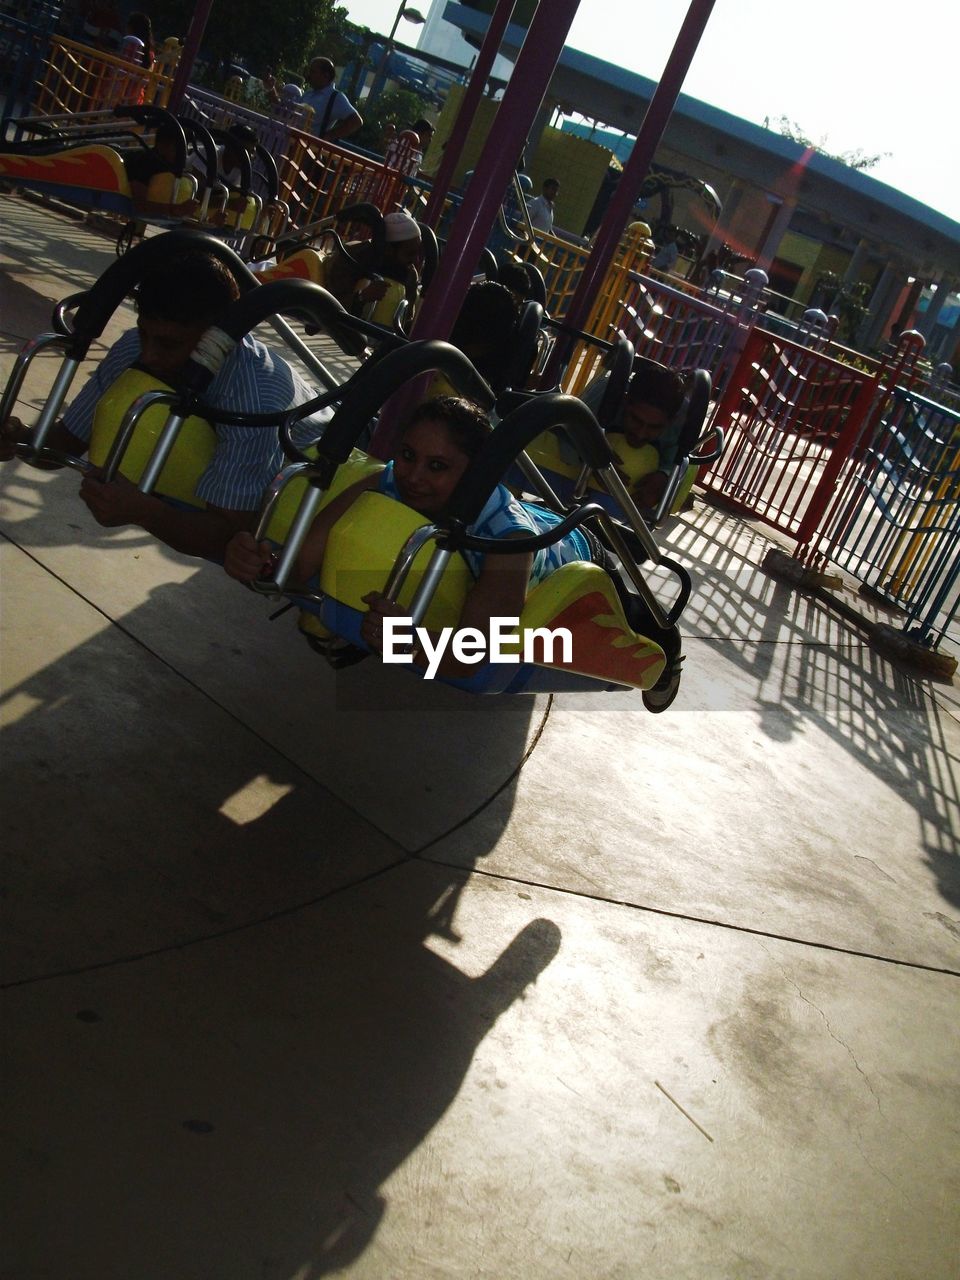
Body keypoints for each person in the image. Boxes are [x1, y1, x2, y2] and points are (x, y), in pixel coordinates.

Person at [224, 396, 683, 697]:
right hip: (520, 518)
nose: (412, 476)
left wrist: (406, 643)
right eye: (407, 455)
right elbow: (301, 560)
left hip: (574, 552)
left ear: (474, 471)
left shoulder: (509, 540)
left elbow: (475, 658)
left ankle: (670, 653)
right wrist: (260, 564)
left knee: (646, 627)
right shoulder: (384, 481)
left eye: (438, 466)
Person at [0, 250, 330, 562]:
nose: (149, 356)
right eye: (145, 334)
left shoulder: (256, 395)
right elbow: (64, 444)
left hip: (326, 473)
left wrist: (143, 511)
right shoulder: (133, 348)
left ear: (219, 336)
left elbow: (230, 534)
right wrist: (19, 437)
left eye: (169, 343)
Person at [581, 357, 686, 511]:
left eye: (654, 427)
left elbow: (680, 461)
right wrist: (590, 449)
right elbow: (562, 426)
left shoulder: (682, 422)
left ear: (671, 421)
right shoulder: (604, 392)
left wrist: (664, 476)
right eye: (636, 420)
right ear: (624, 401)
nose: (640, 434)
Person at [300, 56, 362, 142]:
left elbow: (356, 121)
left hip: (308, 149)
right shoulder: (309, 93)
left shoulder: (335, 97)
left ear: (326, 75)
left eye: (313, 72)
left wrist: (327, 137)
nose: (309, 75)